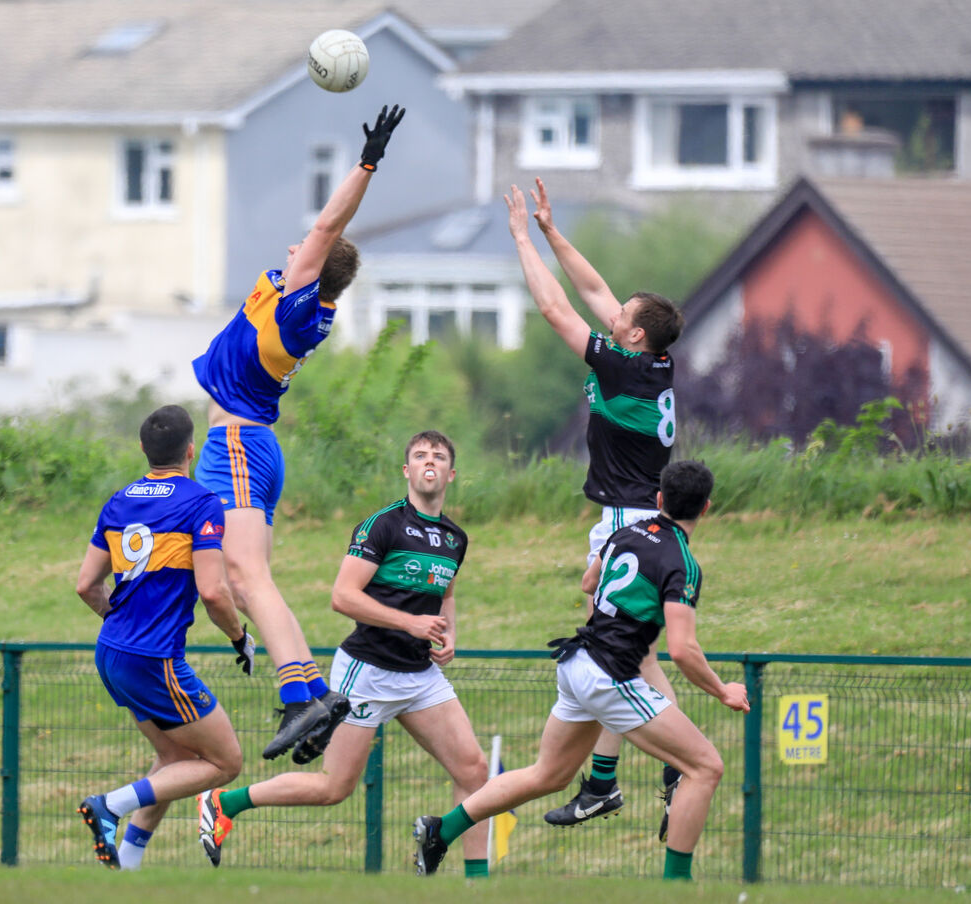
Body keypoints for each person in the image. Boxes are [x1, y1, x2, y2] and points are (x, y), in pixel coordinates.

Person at [413, 460, 749, 881]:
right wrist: (723, 691)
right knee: (705, 767)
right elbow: (682, 650)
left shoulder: (624, 533)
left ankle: (441, 830)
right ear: (706, 509)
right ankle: (676, 886)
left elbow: (589, 584)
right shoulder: (682, 563)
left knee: (548, 774)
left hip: (577, 664)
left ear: (659, 499)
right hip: (611, 676)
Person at [191, 104, 405, 761]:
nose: (292, 249)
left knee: (247, 579)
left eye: (302, 252)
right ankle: (314, 691)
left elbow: (328, 224)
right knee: (245, 576)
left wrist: (367, 162)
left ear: (314, 268)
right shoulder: (312, 302)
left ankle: (299, 699)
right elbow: (322, 242)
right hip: (251, 446)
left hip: (239, 444)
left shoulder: (297, 300)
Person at [196, 430, 491, 877]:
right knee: (333, 788)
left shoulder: (455, 538)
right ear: (407, 470)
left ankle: (471, 876)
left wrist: (449, 632)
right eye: (419, 455)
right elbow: (343, 597)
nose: (429, 460)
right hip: (368, 671)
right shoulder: (384, 525)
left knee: (474, 769)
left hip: (420, 675)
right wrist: (410, 623)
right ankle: (224, 802)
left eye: (439, 456)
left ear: (451, 473)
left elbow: (445, 593)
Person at [504, 179, 686, 831]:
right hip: (639, 517)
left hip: (625, 523)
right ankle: (612, 779)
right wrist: (555, 232)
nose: (613, 314)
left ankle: (660, 764)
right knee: (629, 656)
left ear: (634, 337)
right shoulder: (652, 360)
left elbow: (559, 309)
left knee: (617, 656)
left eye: (623, 317)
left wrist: (524, 239)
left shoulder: (626, 367)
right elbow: (594, 293)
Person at [74, 404, 254, 870]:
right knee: (225, 762)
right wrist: (240, 638)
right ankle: (109, 805)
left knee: (175, 757)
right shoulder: (200, 503)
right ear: (191, 450)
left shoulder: (118, 501)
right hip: (154, 658)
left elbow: (85, 585)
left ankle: (127, 864)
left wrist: (120, 620)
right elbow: (214, 592)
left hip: (111, 651)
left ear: (143, 449)